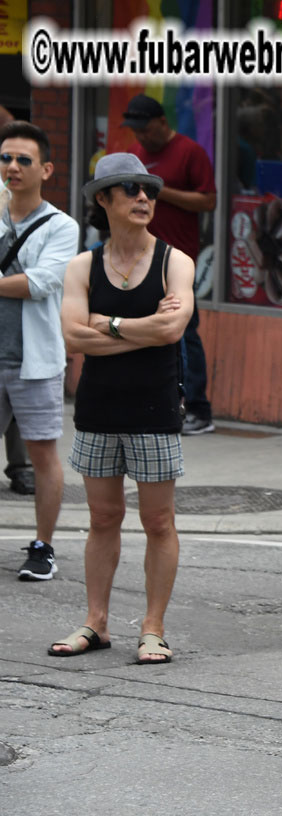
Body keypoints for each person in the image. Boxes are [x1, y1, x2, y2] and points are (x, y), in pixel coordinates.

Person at [51, 153, 194, 664]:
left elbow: (172, 330)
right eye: (130, 188)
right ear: (103, 199)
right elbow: (72, 335)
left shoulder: (175, 262)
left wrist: (106, 325)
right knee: (103, 517)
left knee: (158, 521)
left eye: (149, 190)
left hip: (155, 408)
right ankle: (96, 622)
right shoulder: (82, 266)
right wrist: (139, 330)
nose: (143, 198)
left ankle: (153, 628)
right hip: (98, 409)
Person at [1, 121, 80, 581]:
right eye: (6, 159)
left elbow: (41, 283)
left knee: (43, 457)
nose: (12, 167)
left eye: (23, 160)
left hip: (36, 363)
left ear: (45, 169)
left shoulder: (61, 226)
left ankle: (43, 546)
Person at [123, 94, 217, 436]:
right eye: (136, 131)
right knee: (142, 328)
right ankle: (152, 401)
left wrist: (162, 191)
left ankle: (199, 409)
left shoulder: (190, 152)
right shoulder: (135, 155)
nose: (142, 137)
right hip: (139, 257)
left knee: (184, 331)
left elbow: (208, 200)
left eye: (145, 129)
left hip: (179, 259)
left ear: (162, 122)